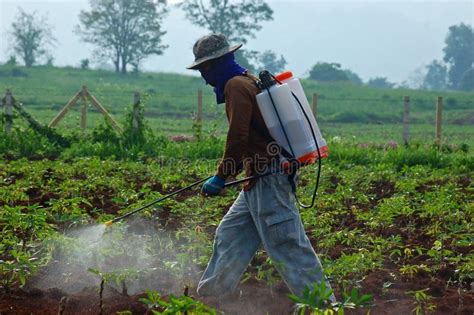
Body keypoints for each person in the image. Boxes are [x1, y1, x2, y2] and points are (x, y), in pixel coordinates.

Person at [187, 33, 334, 301]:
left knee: (287, 244)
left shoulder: (234, 86)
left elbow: (238, 137)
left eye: (203, 69)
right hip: (258, 177)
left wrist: (222, 176)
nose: (204, 77)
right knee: (230, 234)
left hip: (268, 176)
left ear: (214, 64)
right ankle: (209, 300)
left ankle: (325, 306)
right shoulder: (247, 79)